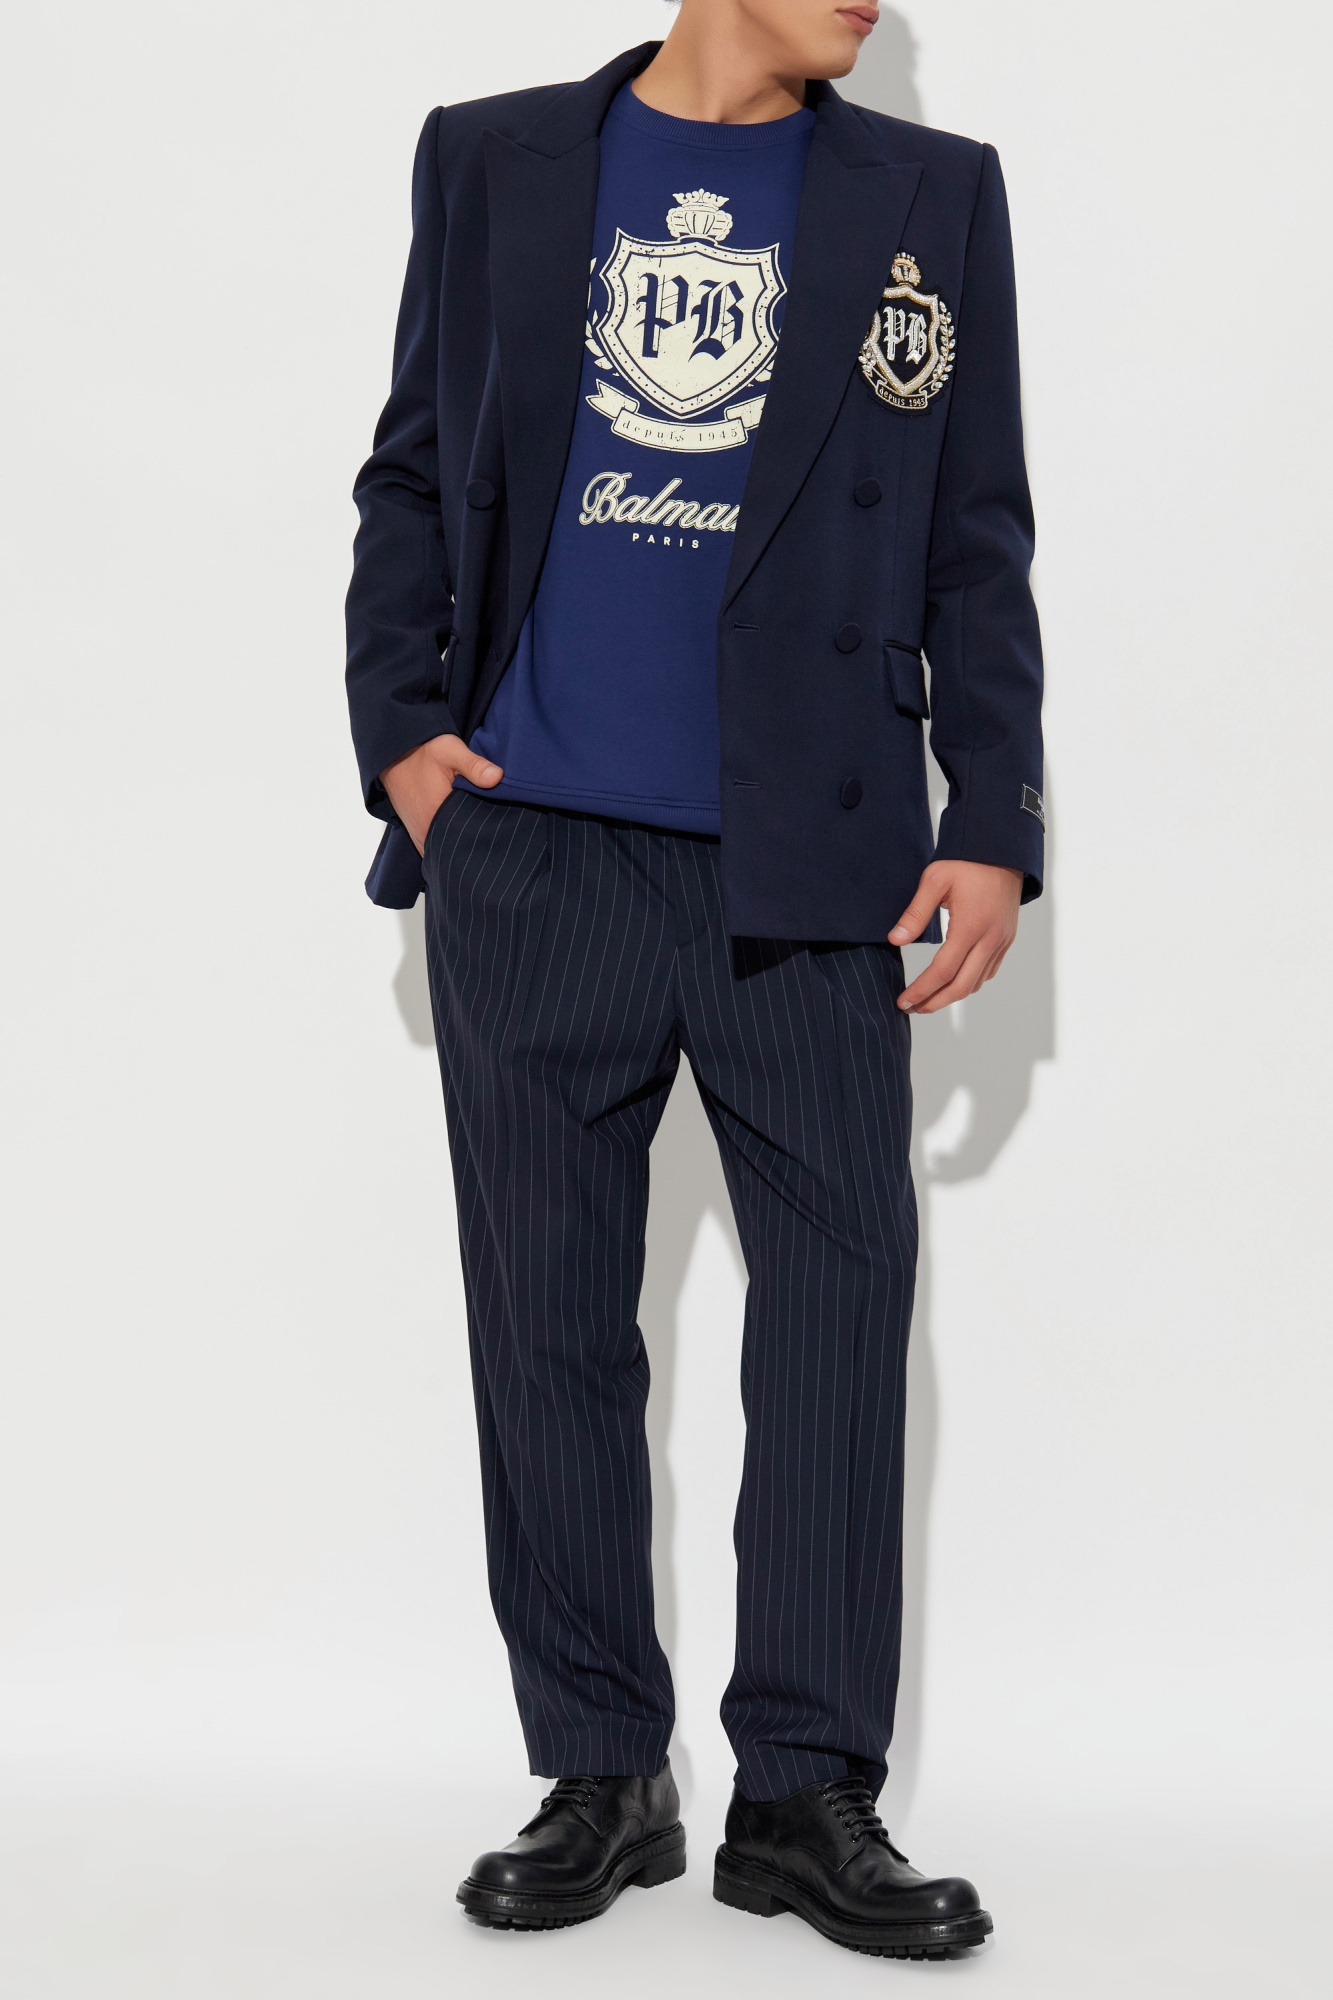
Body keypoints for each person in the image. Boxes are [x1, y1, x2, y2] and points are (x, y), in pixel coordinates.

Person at [345, 0, 1042, 1962]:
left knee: (836, 1311)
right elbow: (413, 475)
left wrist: (992, 809)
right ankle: (598, 1769)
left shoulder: (931, 196)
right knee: (546, 1326)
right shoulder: (490, 156)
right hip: (533, 845)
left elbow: (973, 531)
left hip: (812, 857)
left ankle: (805, 1793)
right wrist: (403, 741)